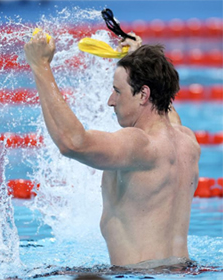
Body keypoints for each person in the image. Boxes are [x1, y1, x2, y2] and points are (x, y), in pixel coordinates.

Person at [24, 31, 200, 268]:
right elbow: (162, 100)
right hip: (185, 271)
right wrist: (138, 57)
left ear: (143, 94)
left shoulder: (141, 145)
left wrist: (40, 65)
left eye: (118, 91)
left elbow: (72, 143)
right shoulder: (187, 141)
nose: (110, 100)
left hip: (139, 275)